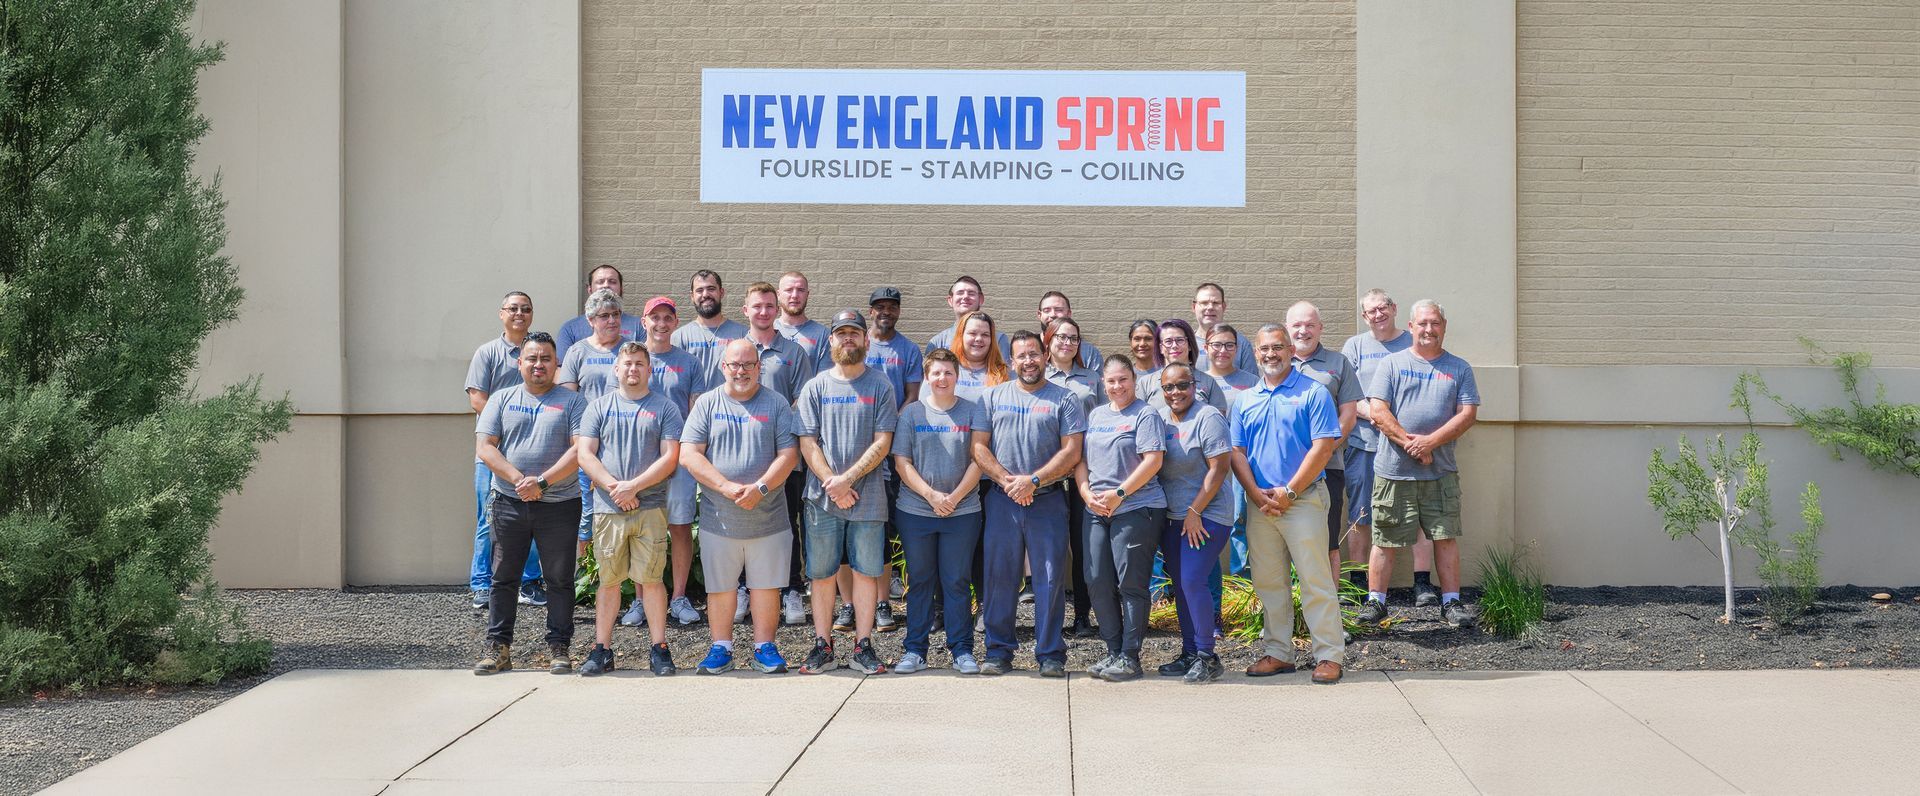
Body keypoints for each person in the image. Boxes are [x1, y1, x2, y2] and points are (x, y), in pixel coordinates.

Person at [1229, 324, 1346, 684]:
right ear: (1256, 353)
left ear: (1291, 350)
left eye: (1278, 347)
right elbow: (1237, 452)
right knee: (1269, 583)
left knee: (1315, 580)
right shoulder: (1245, 399)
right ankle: (1278, 653)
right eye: (1264, 348)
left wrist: (1290, 492)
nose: (1270, 354)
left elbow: (1323, 448)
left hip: (1303, 501)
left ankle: (1329, 655)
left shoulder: (1313, 392)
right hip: (1261, 504)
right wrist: (1254, 493)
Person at [679, 339, 801, 675]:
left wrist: (760, 488)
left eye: (748, 364)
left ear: (759, 368)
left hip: (768, 517)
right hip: (720, 518)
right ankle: (721, 647)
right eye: (735, 364)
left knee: (765, 586)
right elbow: (689, 454)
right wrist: (726, 487)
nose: (741, 371)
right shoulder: (707, 404)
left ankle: (765, 648)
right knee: (720, 587)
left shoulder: (776, 404)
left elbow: (789, 455)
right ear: (723, 367)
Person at [970, 331, 1086, 677]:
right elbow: (978, 447)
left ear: (1045, 356)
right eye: (1021, 356)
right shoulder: (992, 397)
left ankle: (1050, 653)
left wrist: (1033, 481)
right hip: (1002, 499)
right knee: (999, 577)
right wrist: (1008, 480)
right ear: (1011, 360)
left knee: (1049, 579)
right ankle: (998, 651)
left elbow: (1072, 451)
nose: (1029, 361)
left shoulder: (1065, 399)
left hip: (1047, 500)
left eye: (1034, 354)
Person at [1358, 300, 1480, 629]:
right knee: (1384, 539)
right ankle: (1376, 602)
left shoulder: (1459, 368)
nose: (1429, 329)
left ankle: (1451, 603)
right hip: (1393, 472)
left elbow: (1467, 414)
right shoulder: (1392, 364)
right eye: (1422, 323)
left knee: (1445, 536)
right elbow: (1378, 411)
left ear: (1444, 326)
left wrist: (1431, 443)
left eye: (1435, 323)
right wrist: (1412, 445)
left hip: (1440, 472)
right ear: (1411, 327)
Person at [473, 331, 586, 675]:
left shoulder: (573, 402)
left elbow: (579, 449)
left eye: (546, 359)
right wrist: (519, 480)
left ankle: (559, 648)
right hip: (509, 502)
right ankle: (498, 648)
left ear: (556, 364)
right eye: (532, 358)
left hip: (560, 504)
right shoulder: (501, 399)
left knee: (559, 579)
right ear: (520, 363)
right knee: (503, 577)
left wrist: (543, 482)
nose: (539, 364)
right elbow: (485, 447)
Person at [795, 311, 899, 675]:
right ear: (831, 341)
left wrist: (848, 479)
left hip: (868, 498)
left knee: (867, 572)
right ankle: (823, 646)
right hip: (822, 498)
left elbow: (883, 441)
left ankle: (862, 646)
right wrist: (832, 483)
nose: (848, 338)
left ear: (866, 340)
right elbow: (807, 442)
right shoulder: (815, 387)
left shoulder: (880, 386)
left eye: (854, 333)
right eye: (841, 334)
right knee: (822, 574)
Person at [575, 342, 683, 676]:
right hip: (609, 510)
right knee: (609, 580)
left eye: (639, 363)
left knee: (651, 579)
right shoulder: (598, 407)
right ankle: (602, 650)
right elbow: (585, 454)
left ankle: (659, 649)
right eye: (627, 363)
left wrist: (633, 487)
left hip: (650, 508)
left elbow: (670, 457)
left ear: (649, 369)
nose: (633, 369)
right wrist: (616, 488)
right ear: (616, 369)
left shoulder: (665, 408)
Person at [890, 348, 988, 674]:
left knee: (957, 580)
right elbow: (902, 462)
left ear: (957, 376)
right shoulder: (911, 414)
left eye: (948, 372)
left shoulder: (972, 412)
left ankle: (962, 650)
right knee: (920, 580)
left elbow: (979, 460)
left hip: (962, 512)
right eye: (936, 373)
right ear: (926, 377)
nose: (942, 378)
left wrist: (954, 498)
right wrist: (931, 495)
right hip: (916, 512)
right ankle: (915, 650)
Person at [1076, 357, 1168, 682]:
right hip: (1096, 510)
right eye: (1111, 381)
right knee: (1097, 580)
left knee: (1131, 584)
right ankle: (1113, 651)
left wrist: (1119, 493)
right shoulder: (1097, 415)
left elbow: (1153, 461)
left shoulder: (1145, 414)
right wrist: (1086, 494)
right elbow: (1081, 461)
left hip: (1136, 507)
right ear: (1103, 383)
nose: (1117, 386)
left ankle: (1130, 656)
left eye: (1123, 380)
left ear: (1134, 380)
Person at [1339, 289, 1427, 599]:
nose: (1378, 314)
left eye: (1383, 308)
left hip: (1409, 443)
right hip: (1364, 443)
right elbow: (1347, 395)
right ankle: (1357, 583)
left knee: (1417, 513)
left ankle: (1423, 583)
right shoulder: (1355, 346)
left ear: (1394, 308)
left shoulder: (1412, 342)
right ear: (1364, 317)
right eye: (1371, 311)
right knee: (1360, 513)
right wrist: (1378, 416)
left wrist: (1397, 427)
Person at [1153, 361, 1235, 683]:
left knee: (1192, 580)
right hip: (1173, 517)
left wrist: (1195, 511)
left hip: (1207, 515)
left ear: (1194, 385)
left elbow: (1220, 468)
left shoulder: (1208, 417)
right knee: (1181, 585)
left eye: (1182, 385)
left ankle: (1207, 656)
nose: (1176, 392)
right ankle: (1189, 653)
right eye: (1169, 387)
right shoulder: (1160, 419)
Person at [742, 280, 816, 626]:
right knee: (745, 522)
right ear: (746, 310)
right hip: (744, 455)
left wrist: (774, 426)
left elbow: (802, 399)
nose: (764, 311)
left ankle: (791, 590)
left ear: (777, 309)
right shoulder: (736, 350)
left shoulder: (794, 352)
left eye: (769, 306)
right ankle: (744, 588)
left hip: (786, 455)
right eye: (757, 306)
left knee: (787, 523)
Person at [464, 291, 543, 610]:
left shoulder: (540, 352)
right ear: (502, 314)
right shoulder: (487, 353)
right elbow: (477, 400)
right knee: (489, 519)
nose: (519, 313)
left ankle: (530, 582)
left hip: (533, 453)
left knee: (534, 519)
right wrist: (508, 425)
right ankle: (482, 584)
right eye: (513, 308)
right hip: (493, 454)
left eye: (526, 309)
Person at [634, 296, 708, 628]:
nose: (661, 324)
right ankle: (641, 599)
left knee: (679, 527)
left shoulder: (689, 363)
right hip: (641, 461)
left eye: (667, 318)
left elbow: (695, 413)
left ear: (676, 323)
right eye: (655, 318)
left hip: (677, 461)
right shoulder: (633, 359)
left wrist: (687, 453)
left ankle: (678, 597)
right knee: (642, 529)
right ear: (644, 321)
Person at [1284, 301, 1362, 588]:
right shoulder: (1275, 362)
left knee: (1327, 540)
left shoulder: (1338, 363)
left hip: (1328, 468)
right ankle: (1293, 608)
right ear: (1287, 328)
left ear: (1320, 328)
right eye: (1297, 325)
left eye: (1309, 325)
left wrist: (1322, 451)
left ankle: (1329, 608)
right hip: (1283, 470)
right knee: (1282, 541)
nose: (1303, 331)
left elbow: (1348, 416)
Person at [559, 288, 637, 549]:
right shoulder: (577, 352)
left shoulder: (631, 350)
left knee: (626, 509)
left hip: (626, 444)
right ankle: (586, 573)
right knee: (587, 514)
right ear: (590, 320)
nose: (612, 320)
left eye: (616, 314)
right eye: (605, 316)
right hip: (588, 445)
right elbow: (568, 400)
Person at [1043, 316, 1100, 637]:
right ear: (1048, 340)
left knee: (1082, 547)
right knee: (1049, 547)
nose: (1067, 343)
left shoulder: (1092, 379)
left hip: (1084, 473)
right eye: (1061, 337)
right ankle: (1048, 617)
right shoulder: (1038, 376)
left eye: (1073, 338)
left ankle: (1082, 615)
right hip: (1046, 474)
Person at [670, 269, 748, 384]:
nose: (705, 294)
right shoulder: (679, 337)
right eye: (699, 290)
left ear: (721, 292)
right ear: (692, 296)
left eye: (711, 289)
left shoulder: (743, 334)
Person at [1138, 318, 1229, 413]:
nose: (1174, 345)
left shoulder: (1208, 382)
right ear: (1161, 348)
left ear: (1189, 345)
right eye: (1168, 341)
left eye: (1180, 340)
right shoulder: (1146, 383)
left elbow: (1218, 419)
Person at [555, 264, 643, 361]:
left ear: (621, 289)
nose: (606, 285)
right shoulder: (570, 329)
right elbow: (562, 366)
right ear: (589, 289)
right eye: (600, 282)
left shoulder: (639, 326)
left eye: (612, 281)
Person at [864, 287, 923, 408]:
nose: (886, 312)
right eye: (880, 307)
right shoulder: (857, 345)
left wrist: (897, 418)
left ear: (899, 312)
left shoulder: (910, 350)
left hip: (895, 418)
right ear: (871, 312)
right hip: (861, 417)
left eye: (892, 308)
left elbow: (913, 396)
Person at [925, 275, 1010, 359]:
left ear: (981, 299)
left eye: (971, 293)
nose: (965, 296)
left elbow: (1003, 367)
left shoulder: (998, 340)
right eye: (960, 293)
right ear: (950, 300)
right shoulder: (937, 343)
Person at [1192, 282, 1257, 373]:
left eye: (1215, 303)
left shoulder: (1241, 343)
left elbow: (1252, 380)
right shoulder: (1185, 344)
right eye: (1204, 303)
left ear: (1224, 307)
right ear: (1194, 307)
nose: (1210, 307)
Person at [775, 270, 830, 368]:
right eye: (789, 290)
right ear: (778, 294)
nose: (795, 295)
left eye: (800, 290)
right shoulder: (767, 330)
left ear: (807, 295)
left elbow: (824, 375)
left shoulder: (823, 335)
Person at [951, 310, 1008, 404]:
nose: (979, 339)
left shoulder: (1005, 374)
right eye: (972, 333)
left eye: (985, 335)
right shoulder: (945, 369)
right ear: (961, 335)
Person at [1036, 291, 1103, 370]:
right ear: (1039, 315)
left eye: (1059, 310)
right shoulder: (1028, 346)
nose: (1052, 314)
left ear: (1069, 314)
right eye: (1047, 310)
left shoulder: (1089, 353)